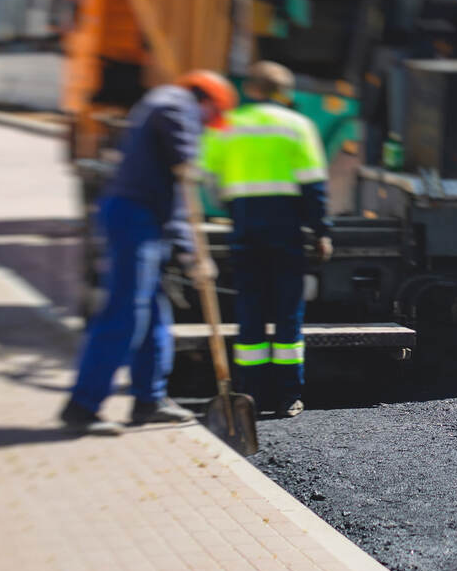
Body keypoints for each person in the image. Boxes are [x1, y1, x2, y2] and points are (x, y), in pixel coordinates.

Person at [61, 70, 238, 435]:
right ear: (206, 101)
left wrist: (190, 252)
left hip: (147, 219)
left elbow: (176, 197)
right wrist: (190, 159)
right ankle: (82, 407)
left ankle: (149, 400)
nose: (208, 126)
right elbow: (184, 176)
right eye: (211, 117)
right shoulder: (175, 104)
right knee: (126, 312)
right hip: (133, 218)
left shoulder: (170, 105)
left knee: (157, 311)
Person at [200, 61, 332, 418]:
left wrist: (226, 205)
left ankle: (251, 395)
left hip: (245, 228)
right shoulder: (298, 126)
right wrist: (321, 230)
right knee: (288, 314)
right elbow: (313, 185)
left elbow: (207, 176)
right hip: (285, 231)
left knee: (250, 313)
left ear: (252, 89)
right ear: (284, 93)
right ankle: (288, 396)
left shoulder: (226, 126)